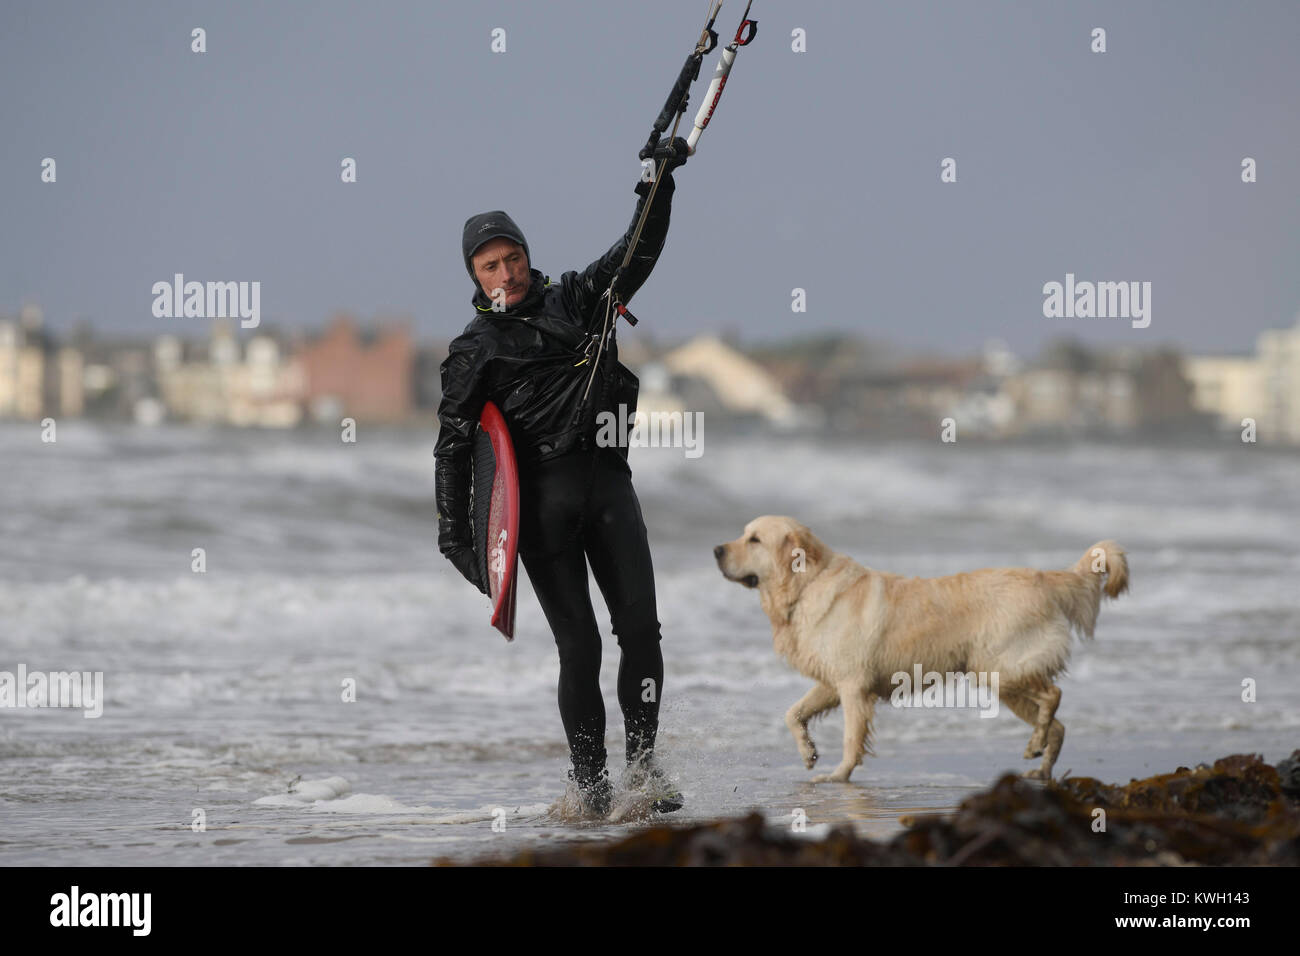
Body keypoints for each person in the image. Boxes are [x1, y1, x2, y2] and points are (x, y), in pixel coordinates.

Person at [434, 138, 690, 817]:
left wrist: (657, 184)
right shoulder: (473, 350)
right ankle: (591, 785)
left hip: (608, 486)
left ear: (526, 253)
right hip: (540, 507)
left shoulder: (578, 299)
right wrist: (456, 538)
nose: (507, 272)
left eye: (513, 256)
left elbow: (635, 254)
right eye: (491, 265)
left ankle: (643, 771)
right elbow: (454, 448)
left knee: (640, 633)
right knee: (577, 648)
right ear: (475, 274)